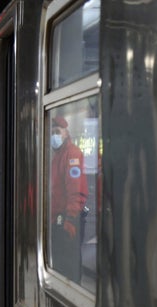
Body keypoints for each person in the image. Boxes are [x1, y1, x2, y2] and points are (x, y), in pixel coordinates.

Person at [49, 115, 89, 283]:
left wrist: (71, 220)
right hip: (57, 220)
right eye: (52, 132)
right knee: (59, 267)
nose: (54, 136)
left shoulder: (72, 154)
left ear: (66, 133)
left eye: (58, 132)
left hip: (67, 220)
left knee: (69, 269)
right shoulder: (58, 156)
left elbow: (76, 190)